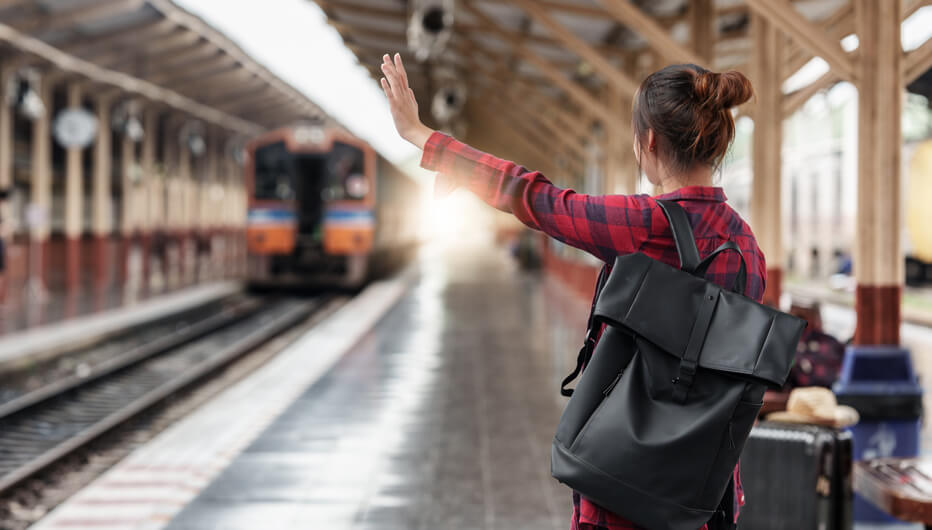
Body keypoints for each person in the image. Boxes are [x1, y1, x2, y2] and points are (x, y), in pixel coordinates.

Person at [380, 53, 765, 530]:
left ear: (647, 141)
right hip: (706, 496)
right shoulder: (748, 246)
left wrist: (423, 136)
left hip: (627, 484)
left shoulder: (645, 225)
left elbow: (532, 196)